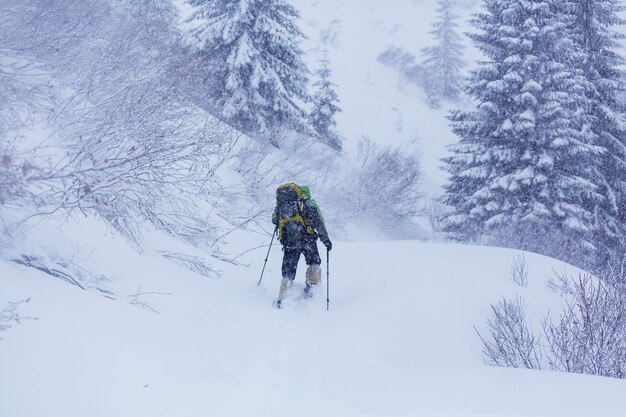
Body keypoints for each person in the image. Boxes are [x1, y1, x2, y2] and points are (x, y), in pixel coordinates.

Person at [272, 183, 332, 308]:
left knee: (288, 268)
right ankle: (312, 291)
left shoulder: (283, 204)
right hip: (307, 240)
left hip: (290, 241)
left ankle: (283, 296)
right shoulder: (309, 204)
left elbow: (274, 219)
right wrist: (326, 240)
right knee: (314, 262)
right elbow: (319, 223)